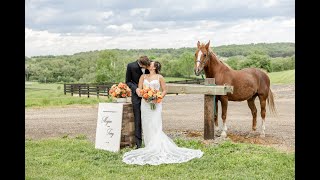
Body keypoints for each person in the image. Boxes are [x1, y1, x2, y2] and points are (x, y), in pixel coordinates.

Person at [123, 61, 203, 165]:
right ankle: (149, 145)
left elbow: (165, 90)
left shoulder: (160, 77)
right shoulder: (143, 77)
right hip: (145, 103)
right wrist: (145, 96)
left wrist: (158, 97)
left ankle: (156, 145)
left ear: (154, 67)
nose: (149, 64)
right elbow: (140, 89)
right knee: (146, 124)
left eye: (151, 64)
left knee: (155, 123)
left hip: (156, 104)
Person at [126, 56, 151, 149]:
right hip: (136, 96)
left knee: (150, 117)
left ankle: (151, 141)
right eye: (144, 67)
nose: (145, 68)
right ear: (140, 64)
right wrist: (135, 89)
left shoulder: (150, 64)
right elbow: (128, 81)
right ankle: (138, 144)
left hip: (150, 95)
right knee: (138, 119)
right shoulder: (130, 66)